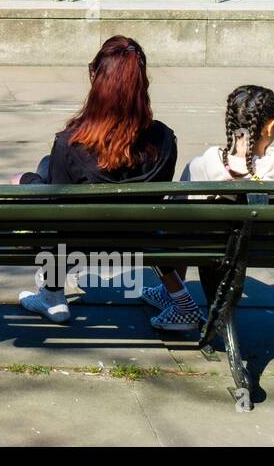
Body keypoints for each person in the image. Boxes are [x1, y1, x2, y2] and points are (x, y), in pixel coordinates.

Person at [13, 36, 178, 323]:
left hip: (76, 239)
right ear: (142, 85)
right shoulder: (165, 140)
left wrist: (24, 181)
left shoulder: (69, 143)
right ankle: (180, 297)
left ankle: (52, 294)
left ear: (97, 82)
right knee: (48, 166)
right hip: (139, 238)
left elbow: (52, 210)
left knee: (42, 180)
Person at [143, 85, 274, 332]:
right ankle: (170, 294)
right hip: (261, 246)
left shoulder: (200, 167)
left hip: (207, 247)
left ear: (230, 123)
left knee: (178, 222)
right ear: (270, 127)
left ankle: (175, 296)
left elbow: (175, 217)